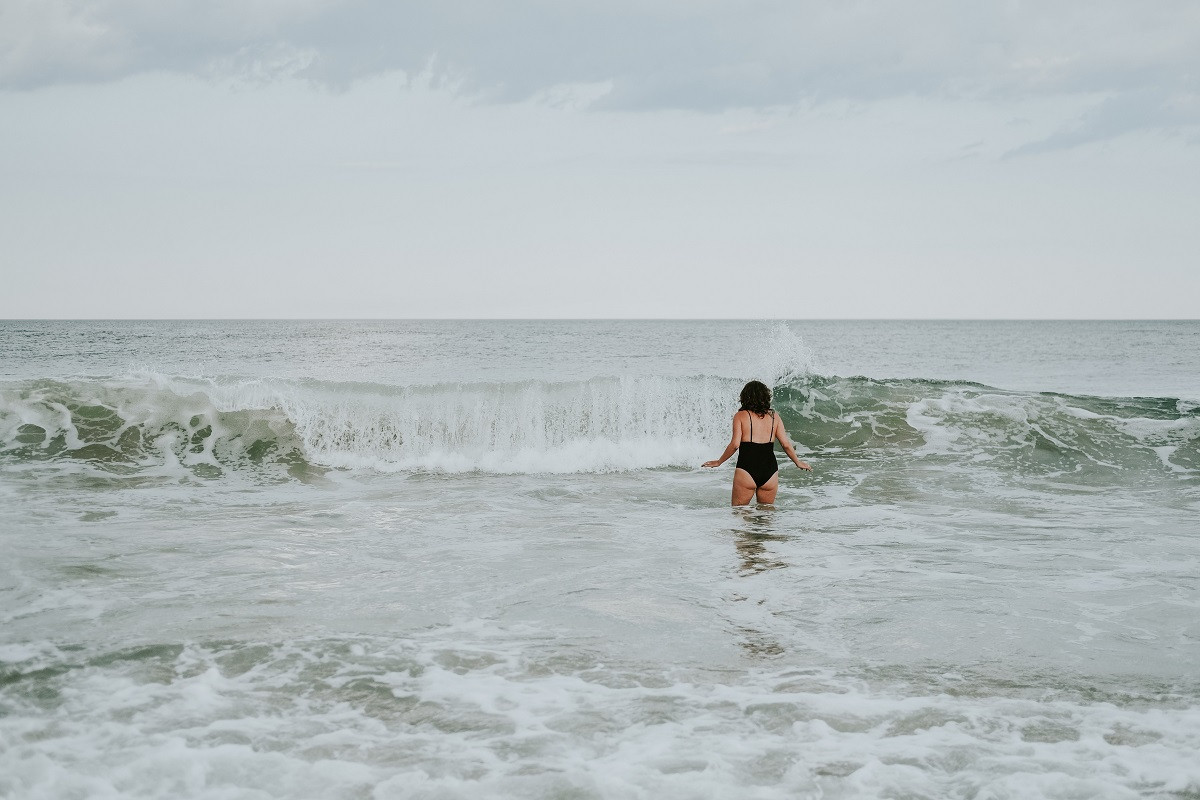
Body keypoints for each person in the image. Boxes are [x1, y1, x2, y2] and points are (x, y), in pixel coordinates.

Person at [703, 380, 811, 506]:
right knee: (766, 519)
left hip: (747, 469)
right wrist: (797, 462)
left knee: (740, 516)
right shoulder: (774, 416)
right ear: (765, 397)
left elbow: (735, 444)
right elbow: (785, 444)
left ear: (745, 397)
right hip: (770, 471)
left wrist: (719, 461)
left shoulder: (741, 416)